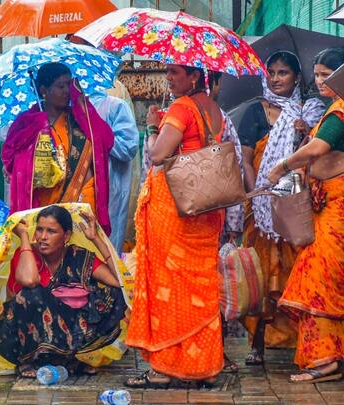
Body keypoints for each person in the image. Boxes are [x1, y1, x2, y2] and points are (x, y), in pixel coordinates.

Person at [267, 47, 344, 383]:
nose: (320, 81)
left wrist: (282, 166)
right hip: (341, 200)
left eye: (327, 75)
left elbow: (318, 149)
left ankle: (324, 359)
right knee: (339, 281)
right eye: (317, 75)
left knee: (322, 278)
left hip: (341, 203)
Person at [125, 65, 229, 388]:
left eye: (175, 73)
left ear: (195, 76)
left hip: (177, 209)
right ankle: (203, 365)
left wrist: (152, 126)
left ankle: (164, 368)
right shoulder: (214, 109)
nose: (168, 78)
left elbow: (157, 155)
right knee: (201, 285)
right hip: (205, 208)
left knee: (169, 285)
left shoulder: (182, 108)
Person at [232, 50, 326, 365]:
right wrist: (257, 194)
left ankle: (297, 341)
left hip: (293, 203)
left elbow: (312, 159)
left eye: (283, 73)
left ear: (297, 77)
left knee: (293, 270)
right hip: (259, 207)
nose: (275, 78)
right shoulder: (254, 112)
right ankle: (257, 344)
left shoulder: (310, 113)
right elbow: (245, 158)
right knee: (258, 276)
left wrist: (303, 133)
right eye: (271, 72)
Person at [0, 206, 126, 378]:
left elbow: (119, 281)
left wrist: (96, 239)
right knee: (31, 294)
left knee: (115, 294)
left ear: (66, 236)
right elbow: (29, 281)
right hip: (19, 336)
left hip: (70, 333)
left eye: (51, 231)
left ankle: (67, 358)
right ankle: (29, 360)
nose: (43, 237)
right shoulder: (27, 253)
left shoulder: (78, 256)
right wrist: (25, 238)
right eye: (39, 230)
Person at [2, 63, 115, 234]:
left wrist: (82, 104)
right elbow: (11, 158)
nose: (67, 91)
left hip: (80, 198)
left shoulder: (80, 119)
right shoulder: (27, 123)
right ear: (43, 90)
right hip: (42, 203)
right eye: (60, 86)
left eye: (69, 85)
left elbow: (105, 140)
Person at [88, 88, 138, 253]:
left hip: (109, 193)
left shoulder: (114, 106)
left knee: (107, 251)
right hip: (78, 193)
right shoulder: (65, 108)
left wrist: (98, 134)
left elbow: (128, 148)